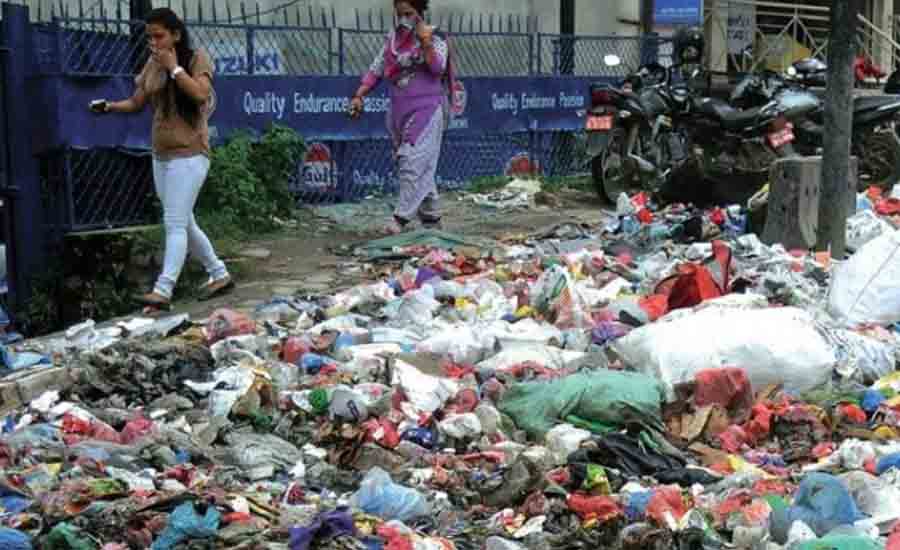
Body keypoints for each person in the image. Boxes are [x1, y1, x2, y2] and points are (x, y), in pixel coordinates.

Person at [89, 8, 232, 310]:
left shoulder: (196, 58)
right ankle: (219, 274)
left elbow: (200, 95)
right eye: (149, 38)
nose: (153, 43)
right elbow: (137, 102)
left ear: (176, 35)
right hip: (162, 154)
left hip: (190, 153)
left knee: (175, 223)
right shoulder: (152, 63)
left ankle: (163, 290)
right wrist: (110, 107)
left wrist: (174, 68)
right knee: (185, 222)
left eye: (159, 36)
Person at [350, 0, 454, 234]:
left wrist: (425, 42)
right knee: (417, 164)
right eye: (400, 14)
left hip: (427, 110)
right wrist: (359, 95)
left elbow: (438, 67)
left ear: (420, 11)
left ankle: (400, 219)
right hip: (399, 112)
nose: (404, 19)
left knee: (412, 161)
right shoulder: (393, 39)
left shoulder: (435, 36)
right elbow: (377, 68)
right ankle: (431, 219)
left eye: (409, 13)